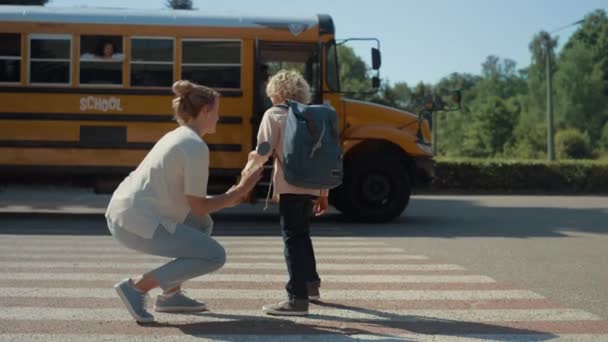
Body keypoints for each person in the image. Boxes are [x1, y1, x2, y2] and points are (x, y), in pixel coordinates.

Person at [105, 80, 262, 323]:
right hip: (133, 222)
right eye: (217, 111)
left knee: (201, 224)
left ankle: (171, 295)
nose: (219, 118)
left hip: (126, 212)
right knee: (214, 256)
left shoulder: (179, 136)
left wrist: (233, 195)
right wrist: (239, 191)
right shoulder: (194, 146)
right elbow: (198, 205)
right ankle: (137, 287)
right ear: (206, 111)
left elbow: (195, 207)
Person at [241, 70, 328, 316]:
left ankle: (296, 298)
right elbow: (323, 158)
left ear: (278, 93)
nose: (269, 99)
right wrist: (324, 193)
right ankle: (311, 285)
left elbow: (262, 151)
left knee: (292, 238)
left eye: (271, 94)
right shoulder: (314, 117)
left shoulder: (274, 114)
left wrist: (243, 179)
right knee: (302, 234)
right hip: (312, 185)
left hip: (290, 186)